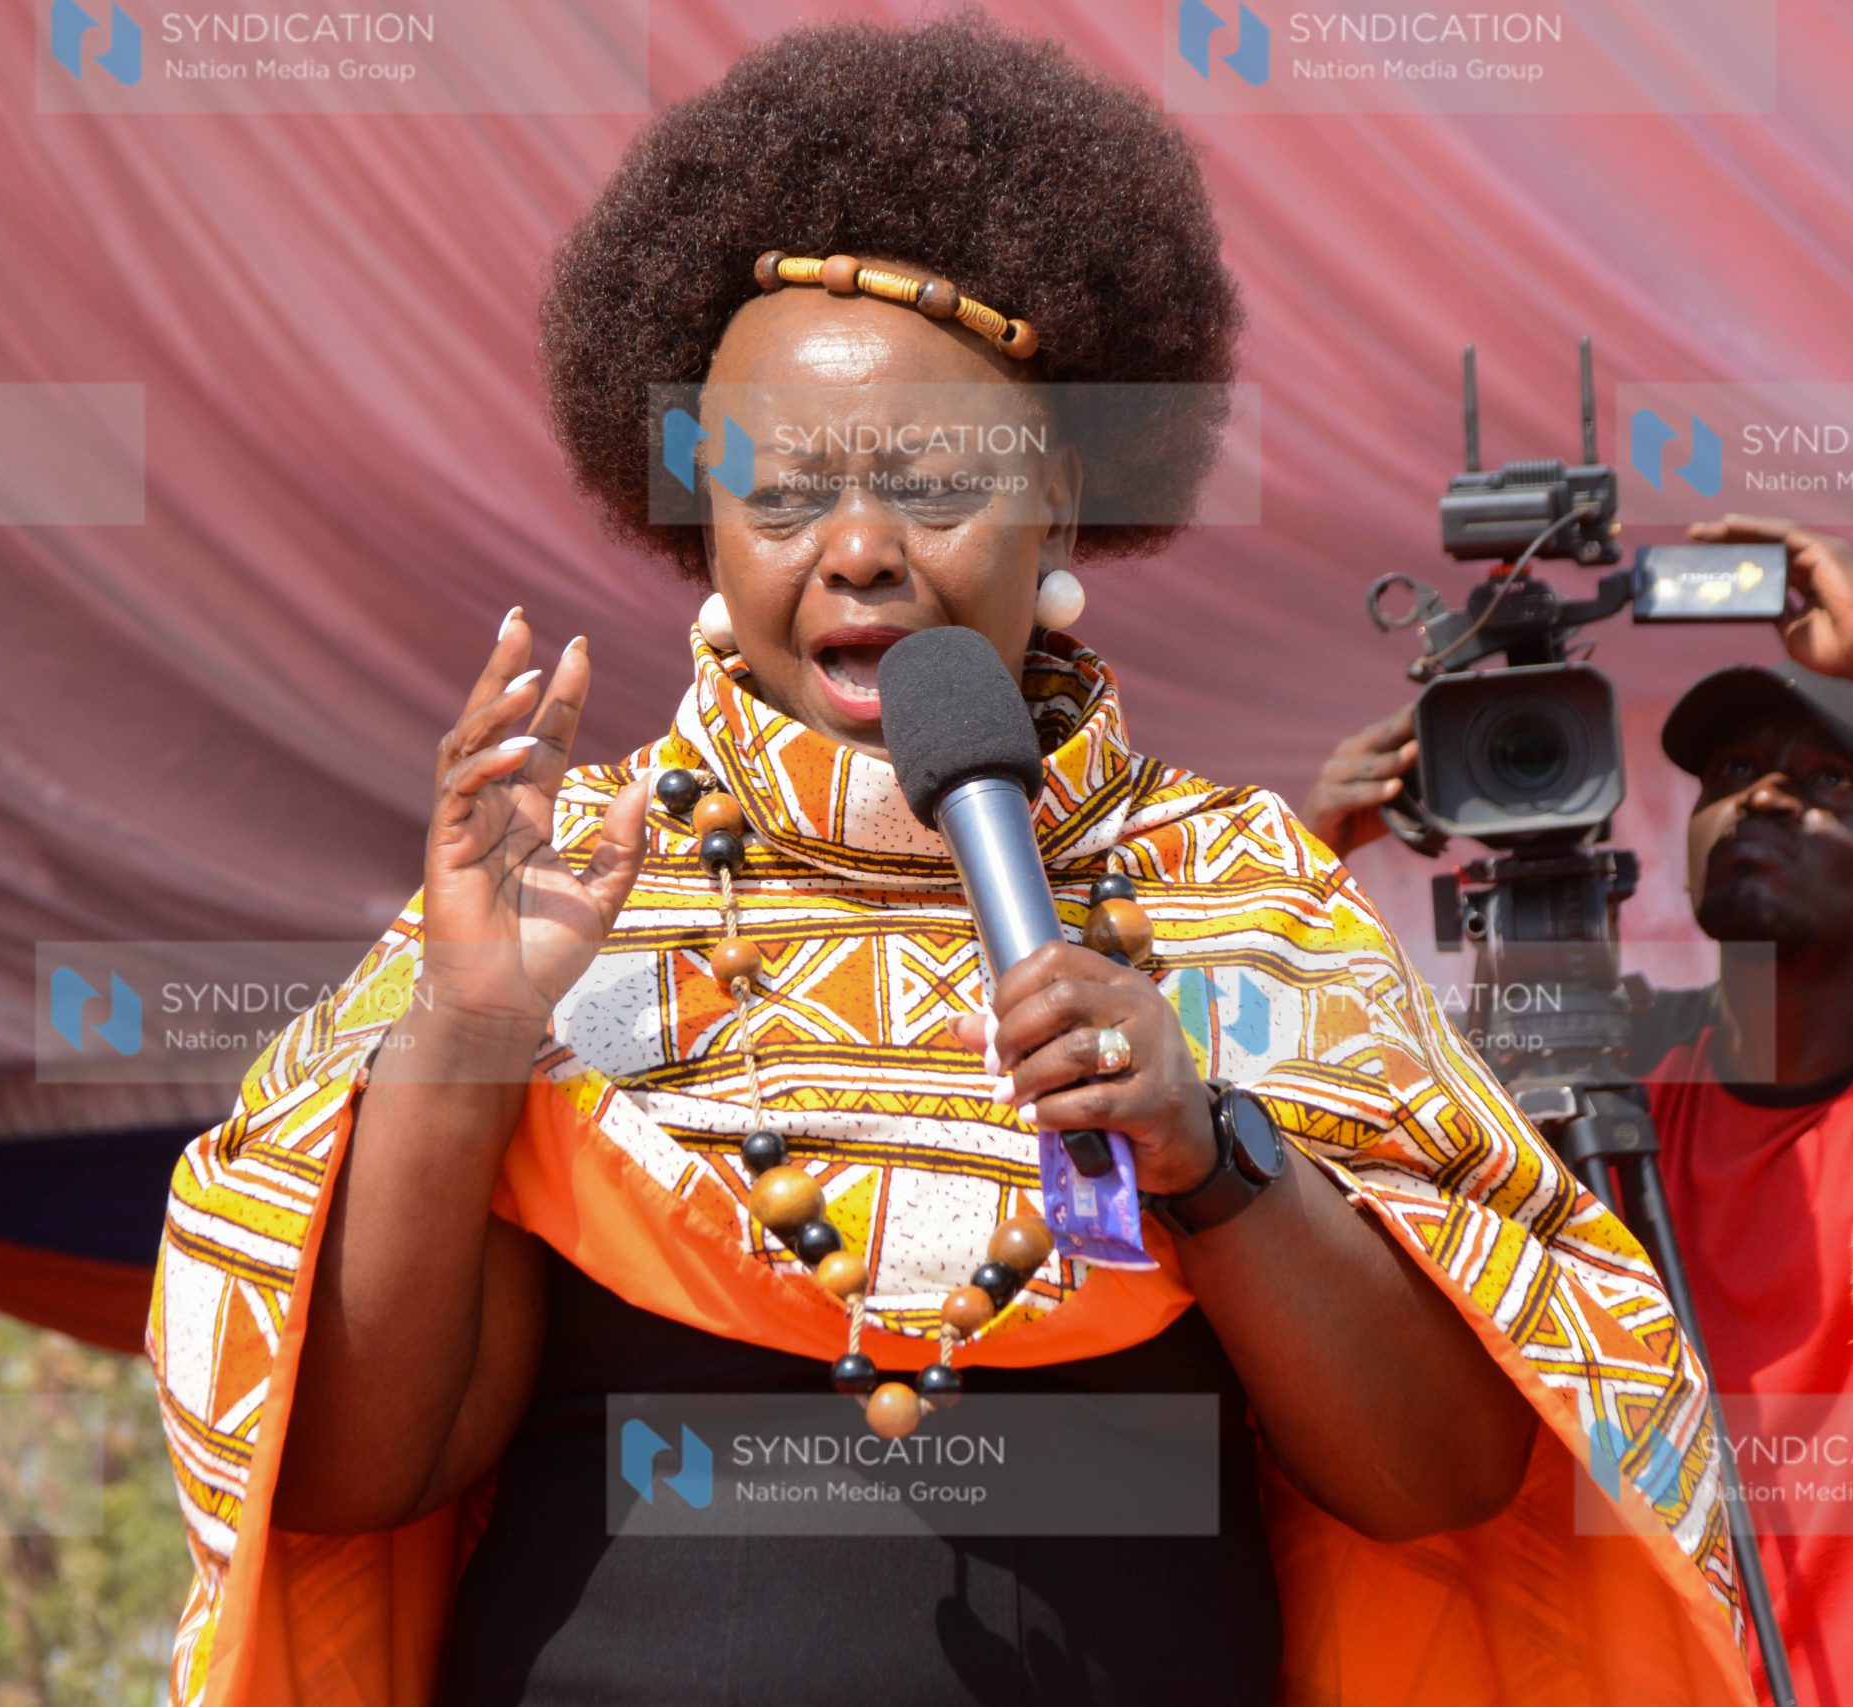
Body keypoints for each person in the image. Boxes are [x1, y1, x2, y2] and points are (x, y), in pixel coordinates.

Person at [150, 20, 1750, 1707]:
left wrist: (1208, 1153)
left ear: (1059, 503)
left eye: (927, 484)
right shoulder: (561, 894)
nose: (854, 550)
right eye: (782, 496)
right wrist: (467, 1033)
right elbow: (344, 1484)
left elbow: (1445, 1486)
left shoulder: (1243, 898)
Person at [1303, 517, 1853, 1707]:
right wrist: (1308, 859)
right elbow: (1304, 1143)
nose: (1758, 799)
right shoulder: (1614, 1097)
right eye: (1725, 777)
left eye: (1821, 783)